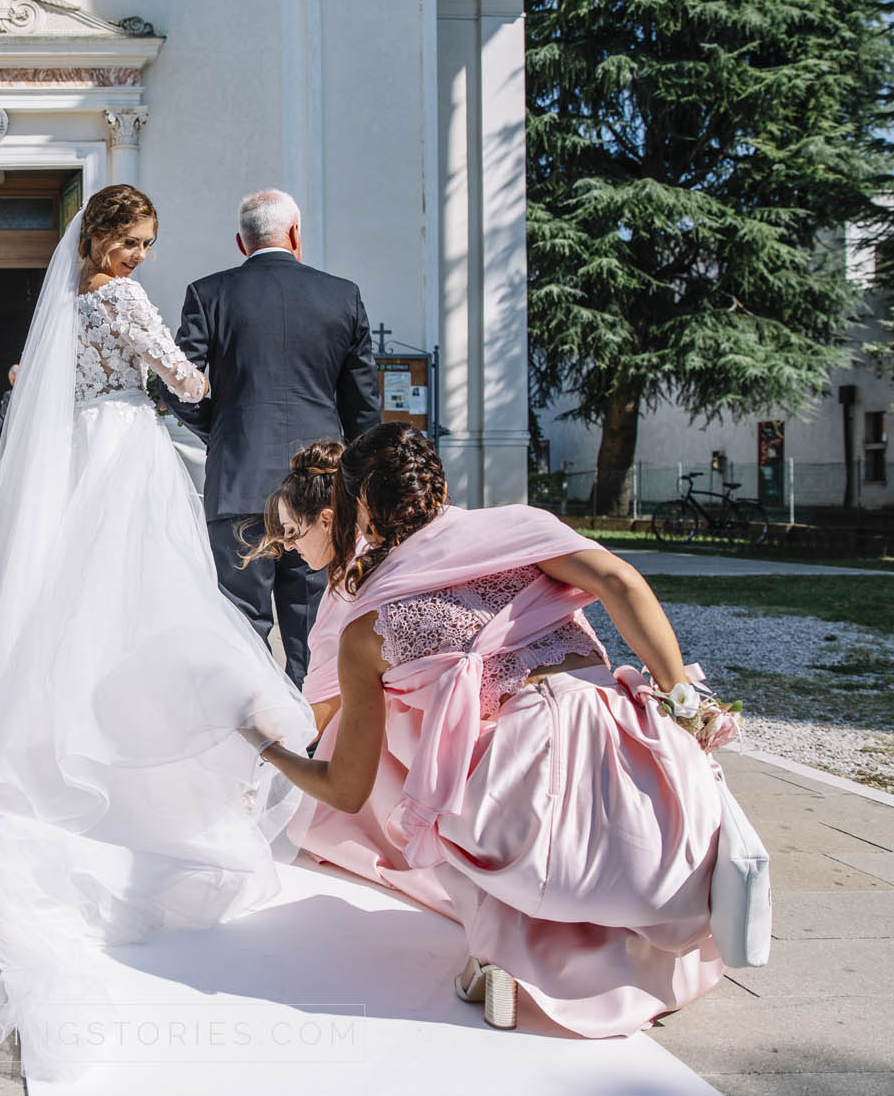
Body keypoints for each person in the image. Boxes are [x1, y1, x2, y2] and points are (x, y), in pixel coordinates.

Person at [0, 184, 316, 1080]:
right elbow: (183, 378)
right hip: (128, 455)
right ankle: (132, 770)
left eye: (147, 243)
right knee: (141, 605)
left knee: (68, 609)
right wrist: (213, 375)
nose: (141, 255)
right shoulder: (126, 299)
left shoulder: (67, 306)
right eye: (134, 240)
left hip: (80, 455)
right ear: (107, 236)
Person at [248, 424, 726, 1035]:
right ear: (436, 485)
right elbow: (621, 581)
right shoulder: (518, 530)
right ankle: (571, 944)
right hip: (638, 778)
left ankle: (504, 953)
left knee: (435, 781)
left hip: (518, 799)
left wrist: (265, 748)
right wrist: (682, 702)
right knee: (642, 809)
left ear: (361, 509)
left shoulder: (366, 621)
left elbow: (345, 787)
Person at [160, 189, 380, 687]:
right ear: (296, 234)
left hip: (240, 481)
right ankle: (312, 728)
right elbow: (362, 406)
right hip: (321, 492)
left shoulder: (209, 294)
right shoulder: (342, 296)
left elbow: (175, 383)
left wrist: (219, 429)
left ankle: (253, 728)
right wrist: (359, 484)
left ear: (242, 242)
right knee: (315, 631)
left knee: (240, 628)